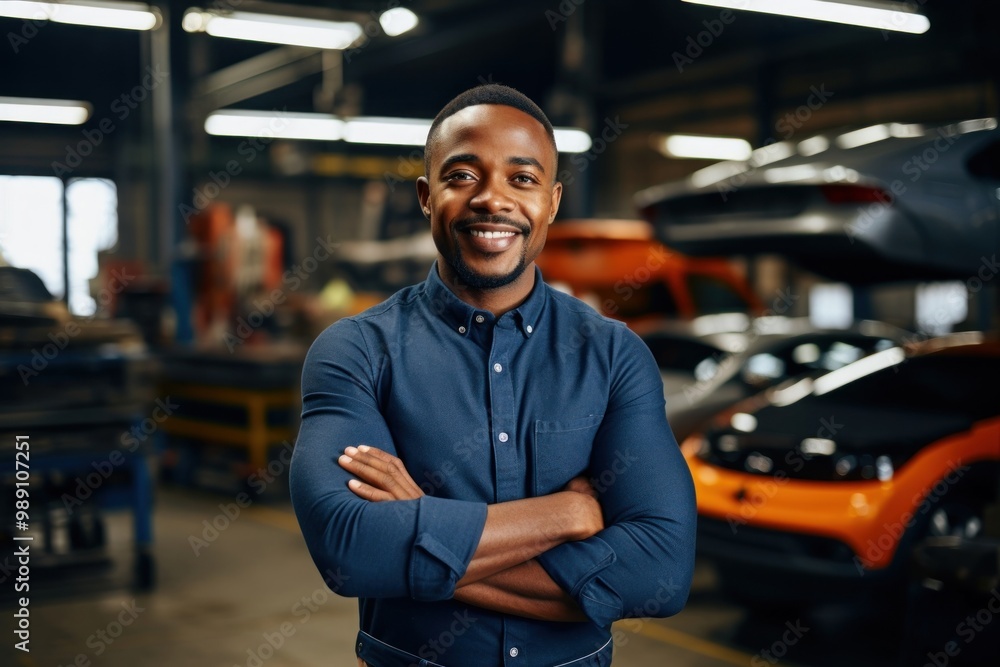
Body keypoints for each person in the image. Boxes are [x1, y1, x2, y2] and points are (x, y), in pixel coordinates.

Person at [290, 83, 696, 667]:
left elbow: (661, 572)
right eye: (462, 176)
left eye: (522, 179)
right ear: (427, 198)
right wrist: (568, 516)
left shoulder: (614, 355)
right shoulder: (356, 351)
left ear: (552, 202)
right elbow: (349, 549)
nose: (492, 200)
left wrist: (419, 536)